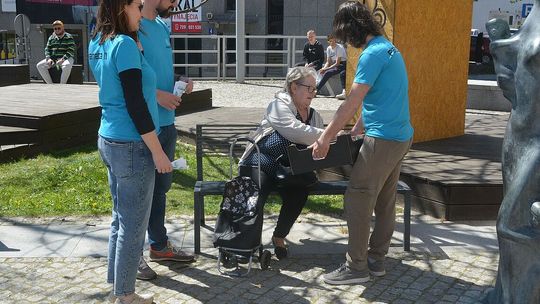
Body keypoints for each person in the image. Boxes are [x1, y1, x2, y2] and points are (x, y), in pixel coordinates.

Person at [311, 1, 413, 285]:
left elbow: (352, 101)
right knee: (384, 202)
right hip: (399, 135)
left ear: (353, 28)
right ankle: (375, 261)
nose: (346, 41)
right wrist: (357, 129)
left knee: (356, 197)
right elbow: (380, 98)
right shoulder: (389, 48)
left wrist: (325, 137)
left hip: (383, 139)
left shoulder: (371, 55)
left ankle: (356, 268)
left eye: (344, 34)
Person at [88, 0, 172, 303]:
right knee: (133, 227)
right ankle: (125, 296)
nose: (141, 11)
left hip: (109, 138)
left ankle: (116, 287)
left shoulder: (98, 41)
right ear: (123, 7)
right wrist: (158, 153)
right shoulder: (123, 44)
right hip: (132, 144)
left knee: (119, 220)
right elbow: (136, 105)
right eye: (137, 5)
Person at [135, 0, 195, 280]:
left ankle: (158, 245)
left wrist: (179, 79)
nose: (175, 2)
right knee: (136, 195)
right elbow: (129, 79)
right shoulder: (130, 26)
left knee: (160, 190)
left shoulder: (161, 26)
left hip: (167, 122)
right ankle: (132, 257)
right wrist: (157, 95)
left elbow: (159, 68)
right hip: (142, 126)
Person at [239, 66, 324, 260]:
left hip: (288, 169)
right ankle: (247, 245)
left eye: (314, 88)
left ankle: (279, 236)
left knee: (300, 192)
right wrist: (329, 135)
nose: (313, 93)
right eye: (309, 88)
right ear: (294, 87)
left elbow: (318, 145)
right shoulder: (277, 105)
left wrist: (327, 141)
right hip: (260, 161)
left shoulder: (315, 116)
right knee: (255, 194)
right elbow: (295, 131)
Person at [316, 34, 347, 100]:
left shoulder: (340, 47)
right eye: (330, 41)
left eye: (333, 41)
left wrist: (326, 69)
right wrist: (324, 68)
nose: (332, 43)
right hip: (335, 65)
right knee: (322, 71)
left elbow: (337, 63)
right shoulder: (328, 48)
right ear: (328, 41)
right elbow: (328, 62)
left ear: (335, 40)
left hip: (343, 65)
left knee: (331, 73)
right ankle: (316, 89)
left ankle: (316, 90)